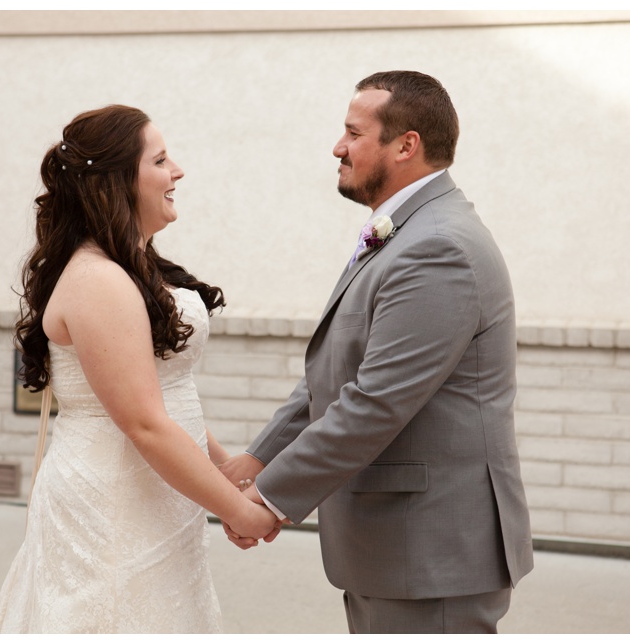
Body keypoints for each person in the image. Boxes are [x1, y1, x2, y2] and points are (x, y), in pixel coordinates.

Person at [215, 70, 533, 634]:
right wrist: (258, 458)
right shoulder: (404, 230)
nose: (338, 147)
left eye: (353, 133)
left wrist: (268, 499)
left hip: (431, 552)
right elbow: (335, 372)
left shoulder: (438, 246)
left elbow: (376, 400)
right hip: (396, 549)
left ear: (406, 145)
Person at [0, 105, 281, 633]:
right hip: (116, 506)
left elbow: (165, 391)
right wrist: (239, 513)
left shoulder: (132, 265)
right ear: (120, 181)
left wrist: (224, 465)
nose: (179, 172)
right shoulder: (98, 279)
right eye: (162, 160)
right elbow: (144, 423)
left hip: (157, 495)